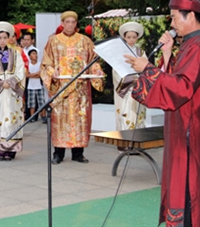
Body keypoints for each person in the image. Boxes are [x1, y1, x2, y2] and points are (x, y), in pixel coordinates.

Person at [125, 0, 200, 226]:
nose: (172, 24)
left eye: (175, 18)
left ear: (192, 16)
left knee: (189, 193)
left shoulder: (199, 47)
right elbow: (178, 79)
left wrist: (147, 68)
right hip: (186, 125)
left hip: (191, 131)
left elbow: (183, 87)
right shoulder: (194, 44)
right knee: (185, 189)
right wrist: (167, 55)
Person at [40, 11, 104, 164]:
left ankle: (78, 153)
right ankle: (58, 153)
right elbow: (46, 63)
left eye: (72, 22)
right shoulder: (53, 41)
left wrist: (97, 70)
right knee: (60, 121)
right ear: (62, 24)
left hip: (80, 89)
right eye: (67, 22)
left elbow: (93, 61)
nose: (70, 25)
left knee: (80, 119)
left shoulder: (85, 41)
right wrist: (51, 72)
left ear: (76, 24)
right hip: (61, 90)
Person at [0, 21, 25, 160]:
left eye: (4, 37)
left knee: (12, 120)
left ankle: (11, 149)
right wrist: (0, 83)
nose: (2, 41)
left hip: (12, 92)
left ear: (9, 38)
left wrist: (11, 82)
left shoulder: (16, 53)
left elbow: (21, 70)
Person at [113, 22, 147, 134]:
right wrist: (131, 79)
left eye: (134, 37)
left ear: (137, 37)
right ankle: (125, 144)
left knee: (138, 114)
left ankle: (137, 142)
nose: (131, 39)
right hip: (125, 89)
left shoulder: (141, 52)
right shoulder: (119, 53)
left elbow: (146, 68)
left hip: (138, 87)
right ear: (124, 37)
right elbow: (116, 71)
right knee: (124, 113)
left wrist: (140, 79)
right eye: (129, 37)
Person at [26, 49, 46, 123]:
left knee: (42, 102)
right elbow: (26, 75)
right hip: (30, 86)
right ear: (30, 56)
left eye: (36, 53)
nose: (35, 55)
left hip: (39, 86)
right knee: (32, 103)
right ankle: (32, 117)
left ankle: (43, 116)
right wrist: (35, 74)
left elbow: (40, 75)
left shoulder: (40, 64)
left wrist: (31, 74)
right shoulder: (28, 64)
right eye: (33, 54)